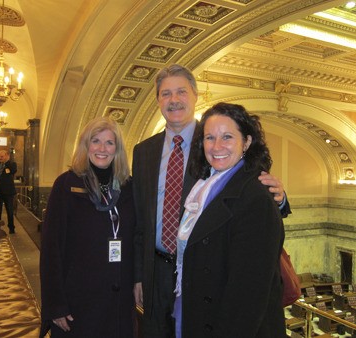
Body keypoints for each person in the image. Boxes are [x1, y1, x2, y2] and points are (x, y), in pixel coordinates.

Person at [132, 64, 290, 337]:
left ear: (195, 95)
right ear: (157, 100)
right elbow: (139, 220)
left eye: (181, 91)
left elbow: (251, 197)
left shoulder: (215, 144)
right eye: (165, 93)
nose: (174, 99)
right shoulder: (143, 151)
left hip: (206, 275)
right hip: (156, 272)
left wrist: (279, 199)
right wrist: (138, 275)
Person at [174, 102, 285, 337]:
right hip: (201, 313)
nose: (216, 146)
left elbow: (247, 295)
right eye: (209, 137)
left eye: (227, 137)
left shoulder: (255, 198)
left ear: (246, 142)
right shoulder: (204, 186)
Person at [40, 117, 136, 338]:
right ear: (86, 145)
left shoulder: (128, 187)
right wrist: (55, 305)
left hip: (118, 300)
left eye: (109, 143)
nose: (102, 148)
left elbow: (137, 239)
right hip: (77, 300)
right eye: (96, 141)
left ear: (117, 149)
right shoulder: (66, 185)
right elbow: (51, 249)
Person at [0, 149, 17, 234]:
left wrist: (7, 162)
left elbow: (13, 170)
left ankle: (11, 228)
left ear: (6, 155)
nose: (0, 158)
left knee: (9, 210)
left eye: (2, 156)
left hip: (8, 192)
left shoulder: (12, 164)